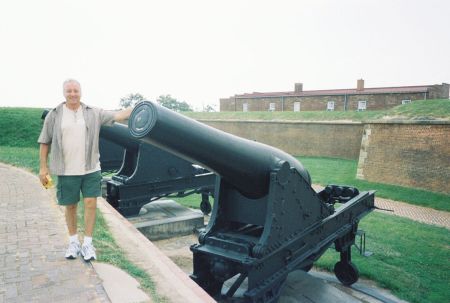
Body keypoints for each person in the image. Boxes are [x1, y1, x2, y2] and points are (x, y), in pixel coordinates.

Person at [38, 79, 133, 261]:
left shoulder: (92, 113)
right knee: (71, 206)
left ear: (81, 92)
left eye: (76, 91)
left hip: (90, 168)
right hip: (66, 170)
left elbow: (118, 115)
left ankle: (88, 244)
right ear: (64, 93)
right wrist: (43, 167)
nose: (73, 94)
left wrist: (141, 107)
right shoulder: (54, 115)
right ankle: (73, 242)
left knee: (90, 203)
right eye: (69, 91)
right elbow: (44, 141)